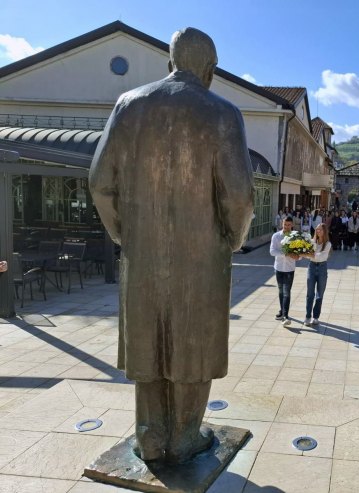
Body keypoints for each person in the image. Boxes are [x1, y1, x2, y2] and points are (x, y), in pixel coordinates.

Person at [89, 27, 254, 464]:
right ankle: (184, 435)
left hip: (142, 256)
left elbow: (100, 183)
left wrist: (126, 234)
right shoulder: (222, 114)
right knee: (193, 343)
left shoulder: (129, 105)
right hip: (202, 258)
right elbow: (239, 196)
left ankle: (149, 435)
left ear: (170, 63)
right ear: (211, 71)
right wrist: (231, 240)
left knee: (149, 343)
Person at [270, 216, 299, 326]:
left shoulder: (295, 237)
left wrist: (298, 257)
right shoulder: (276, 236)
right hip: (278, 267)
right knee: (281, 290)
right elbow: (272, 251)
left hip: (289, 268)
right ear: (282, 224)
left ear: (292, 225)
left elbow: (299, 253)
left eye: (288, 225)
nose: (286, 227)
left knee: (287, 291)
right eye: (284, 224)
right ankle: (282, 311)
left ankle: (286, 315)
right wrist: (285, 254)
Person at [302, 223, 331, 326]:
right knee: (310, 294)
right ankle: (308, 316)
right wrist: (307, 254)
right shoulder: (312, 242)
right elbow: (308, 255)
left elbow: (322, 256)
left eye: (320, 230)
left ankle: (316, 317)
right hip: (312, 267)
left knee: (320, 294)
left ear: (324, 231)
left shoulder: (327, 244)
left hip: (322, 268)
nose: (318, 231)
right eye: (317, 229)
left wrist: (310, 254)